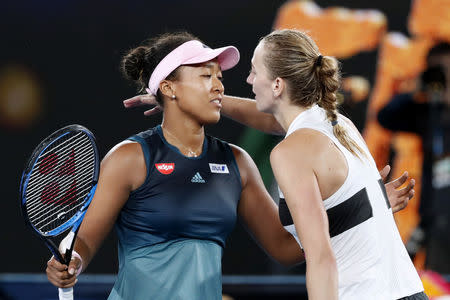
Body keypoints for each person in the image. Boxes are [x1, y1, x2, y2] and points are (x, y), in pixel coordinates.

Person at [123, 30, 423, 300]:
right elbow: (271, 119)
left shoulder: (290, 152)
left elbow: (320, 258)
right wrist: (367, 203)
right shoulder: (337, 123)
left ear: (277, 85)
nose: (249, 80)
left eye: (255, 71)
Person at [45, 32, 306, 300]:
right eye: (206, 76)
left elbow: (287, 249)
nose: (219, 86)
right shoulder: (130, 158)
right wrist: (71, 258)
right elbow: (83, 240)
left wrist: (341, 212)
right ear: (169, 88)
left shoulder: (237, 163)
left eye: (220, 77)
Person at [378, 43, 450, 273]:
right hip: (436, 219)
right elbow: (386, 116)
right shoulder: (428, 112)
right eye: (439, 70)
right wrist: (417, 88)